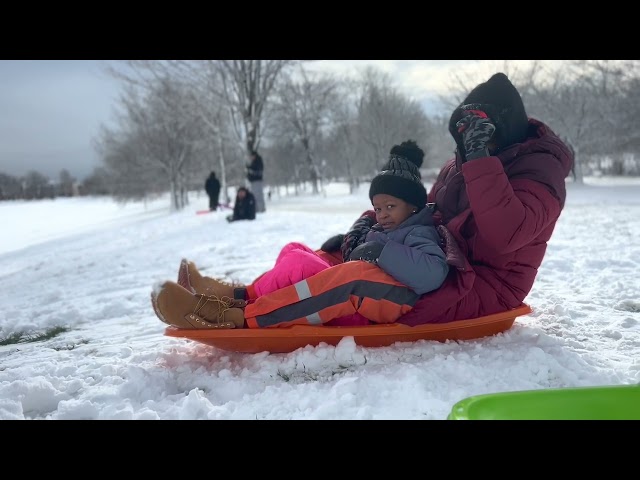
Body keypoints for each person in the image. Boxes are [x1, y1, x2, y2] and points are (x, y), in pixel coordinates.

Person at [153, 72, 574, 330]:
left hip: (475, 287)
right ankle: (238, 294)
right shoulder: (467, 159)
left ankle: (231, 318)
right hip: (440, 261)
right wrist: (372, 224)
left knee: (350, 280)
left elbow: (505, 235)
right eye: (462, 133)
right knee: (321, 255)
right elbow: (426, 212)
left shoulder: (541, 173)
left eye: (475, 132)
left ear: (500, 130)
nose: (465, 143)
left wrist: (480, 160)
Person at [151, 141, 450, 329]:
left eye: (390, 206)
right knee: (295, 251)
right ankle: (235, 295)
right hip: (370, 291)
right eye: (377, 207)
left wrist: (379, 251)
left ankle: (233, 317)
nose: (381, 213)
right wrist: (357, 240)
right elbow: (372, 244)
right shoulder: (389, 226)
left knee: (324, 273)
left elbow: (432, 273)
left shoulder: (420, 231)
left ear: (413, 205)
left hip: (380, 301)